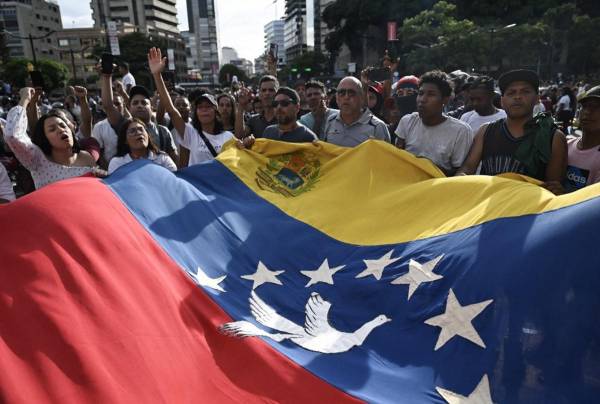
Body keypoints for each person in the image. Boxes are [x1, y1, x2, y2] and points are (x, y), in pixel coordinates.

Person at [456, 69, 567, 188]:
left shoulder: (553, 137)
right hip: (489, 203)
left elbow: (553, 187)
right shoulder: (485, 131)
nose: (518, 97)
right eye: (511, 93)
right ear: (502, 101)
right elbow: (468, 168)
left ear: (536, 99)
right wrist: (458, 179)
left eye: (525, 91)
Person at [4, 87, 104, 190]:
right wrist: (25, 98)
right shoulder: (37, 160)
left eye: (63, 125)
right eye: (52, 129)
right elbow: (13, 135)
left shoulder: (86, 157)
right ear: (44, 138)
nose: (61, 130)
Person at [148, 47, 234, 167]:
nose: (204, 110)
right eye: (200, 107)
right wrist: (157, 75)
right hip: (196, 186)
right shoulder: (190, 133)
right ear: (196, 112)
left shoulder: (229, 137)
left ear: (216, 111)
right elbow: (172, 110)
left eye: (208, 106)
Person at [395, 70, 473, 176]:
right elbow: (396, 159)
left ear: (445, 100)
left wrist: (426, 166)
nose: (422, 99)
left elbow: (459, 174)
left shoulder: (461, 131)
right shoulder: (407, 121)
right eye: (421, 93)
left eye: (431, 94)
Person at [99, 65, 178, 163]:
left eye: (144, 103)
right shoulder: (124, 126)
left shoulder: (163, 131)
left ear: (152, 107)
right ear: (129, 108)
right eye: (135, 103)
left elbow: (176, 163)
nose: (140, 106)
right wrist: (107, 76)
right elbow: (108, 106)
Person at [323, 76, 390, 147]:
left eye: (351, 93)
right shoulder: (331, 121)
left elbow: (384, 156)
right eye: (342, 93)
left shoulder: (377, 126)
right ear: (336, 98)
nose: (346, 97)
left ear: (361, 97)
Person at [563, 85, 600, 191]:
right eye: (585, 106)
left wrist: (563, 194)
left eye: (596, 107)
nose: (587, 112)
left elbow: (593, 204)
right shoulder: (565, 145)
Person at [108, 118, 176, 174]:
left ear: (148, 136)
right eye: (132, 131)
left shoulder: (162, 158)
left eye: (141, 130)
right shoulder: (117, 162)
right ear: (125, 140)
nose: (138, 133)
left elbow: (175, 180)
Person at [92, 94, 126, 169]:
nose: (114, 107)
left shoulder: (131, 124)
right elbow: (99, 154)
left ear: (123, 105)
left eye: (117, 104)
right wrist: (110, 171)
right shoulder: (99, 127)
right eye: (111, 104)